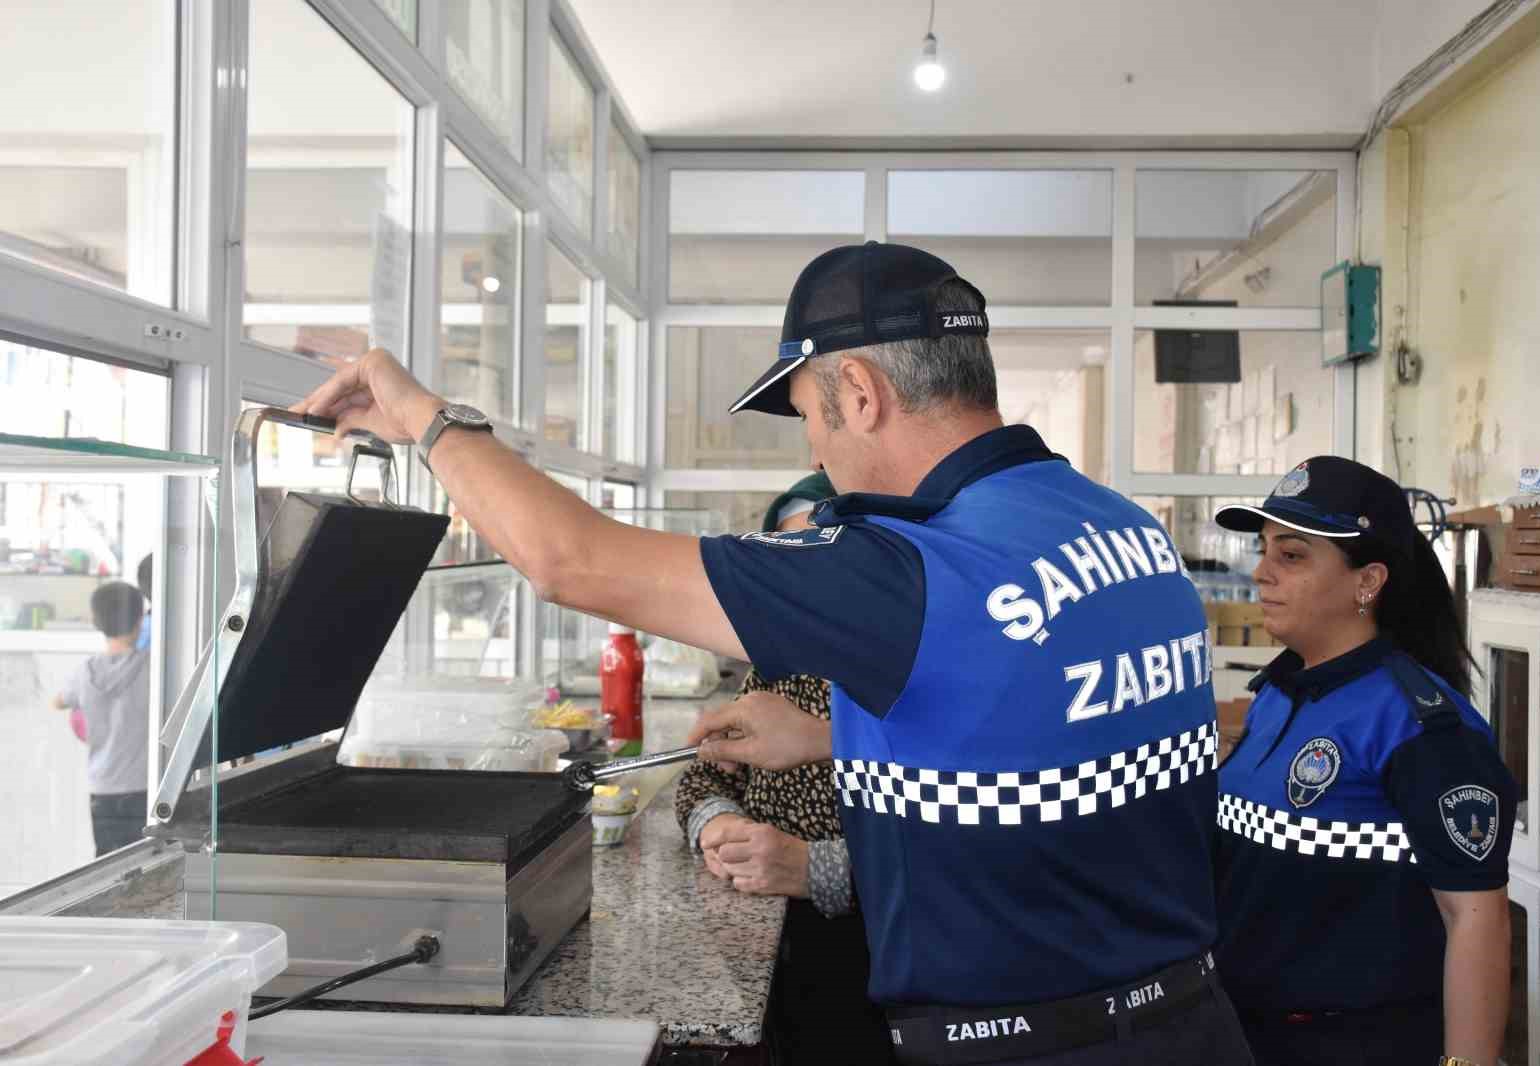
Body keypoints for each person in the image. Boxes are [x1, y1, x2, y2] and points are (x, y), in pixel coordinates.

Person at [296, 241, 1251, 1064]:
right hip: (1192, 1022)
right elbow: (1044, 728)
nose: (819, 449)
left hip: (1025, 1043)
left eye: (808, 415)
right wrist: (832, 734)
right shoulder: (1120, 530)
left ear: (862, 395)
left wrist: (424, 415)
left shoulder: (910, 561)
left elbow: (570, 561)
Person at [1210, 456, 1515, 1066]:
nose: (1261, 573)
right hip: (1248, 1031)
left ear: (1367, 581)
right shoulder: (1278, 692)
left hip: (1358, 1042)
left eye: (1291, 555)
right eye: (1264, 548)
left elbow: (1475, 919)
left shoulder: (1419, 728)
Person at [674, 472, 894, 1066]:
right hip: (772, 929)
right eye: (788, 567)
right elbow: (706, 771)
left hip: (874, 953)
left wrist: (817, 869)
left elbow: (952, 847)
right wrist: (718, 825)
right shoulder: (776, 668)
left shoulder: (897, 677)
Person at [51, 581, 151, 856]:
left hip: (103, 787)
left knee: (107, 863)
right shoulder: (151, 667)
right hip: (143, 786)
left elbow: (57, 701)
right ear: (140, 619)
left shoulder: (84, 673)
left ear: (96, 621)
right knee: (143, 862)